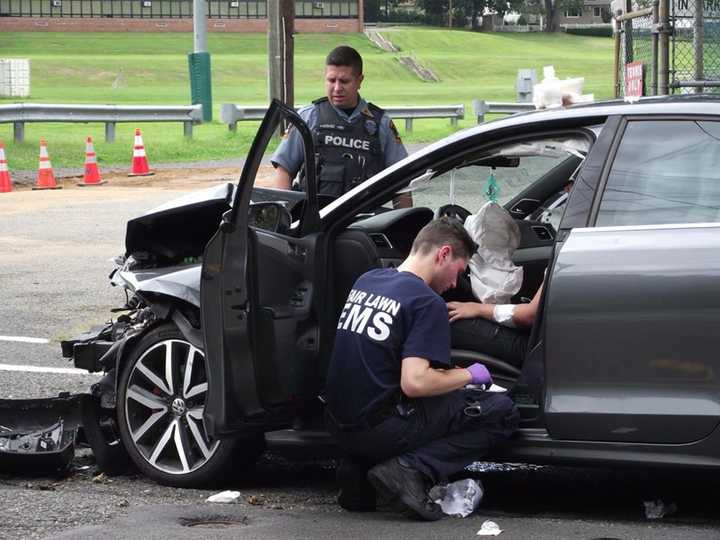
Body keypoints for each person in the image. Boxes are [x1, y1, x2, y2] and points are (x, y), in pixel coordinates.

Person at [324, 217, 519, 520]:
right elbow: (415, 383)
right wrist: (470, 375)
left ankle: (358, 470)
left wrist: (446, 377)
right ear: (442, 254)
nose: (456, 284)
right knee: (500, 411)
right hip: (382, 429)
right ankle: (408, 470)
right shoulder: (426, 302)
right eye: (459, 271)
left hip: (340, 427)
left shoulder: (368, 280)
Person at [270, 45, 410, 205]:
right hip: (315, 221)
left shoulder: (381, 124)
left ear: (359, 81)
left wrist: (402, 224)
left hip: (365, 224)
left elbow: (401, 181)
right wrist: (286, 216)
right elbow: (284, 170)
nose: (337, 88)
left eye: (344, 81)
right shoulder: (308, 117)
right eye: (331, 80)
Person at [447, 280, 544, 369]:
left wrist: (477, 308)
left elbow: (530, 316)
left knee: (449, 324)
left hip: (538, 349)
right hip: (541, 336)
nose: (453, 282)